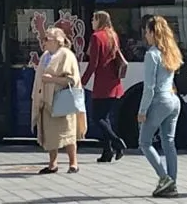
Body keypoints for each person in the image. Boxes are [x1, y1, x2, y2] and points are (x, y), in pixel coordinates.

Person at [31, 26, 86, 174]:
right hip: (46, 101)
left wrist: (52, 79)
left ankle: (73, 163)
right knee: (49, 134)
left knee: (68, 132)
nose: (44, 42)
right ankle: (52, 164)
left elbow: (72, 79)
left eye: (47, 39)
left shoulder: (66, 55)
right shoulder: (45, 56)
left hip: (62, 100)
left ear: (57, 41)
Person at [138, 16, 182, 198]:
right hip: (173, 100)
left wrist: (142, 111)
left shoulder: (152, 54)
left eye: (147, 32)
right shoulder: (171, 51)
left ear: (152, 33)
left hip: (159, 101)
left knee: (145, 142)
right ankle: (172, 182)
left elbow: (149, 87)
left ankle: (164, 178)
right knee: (169, 142)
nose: (146, 36)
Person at [81, 11, 126, 163]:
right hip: (114, 82)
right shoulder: (113, 35)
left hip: (102, 84)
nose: (91, 22)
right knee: (105, 117)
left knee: (97, 117)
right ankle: (107, 152)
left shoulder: (96, 37)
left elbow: (93, 64)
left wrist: (83, 82)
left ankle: (117, 142)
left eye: (93, 19)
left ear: (99, 20)